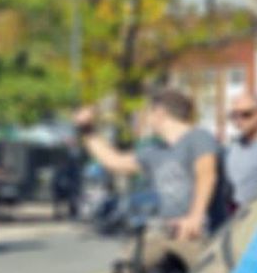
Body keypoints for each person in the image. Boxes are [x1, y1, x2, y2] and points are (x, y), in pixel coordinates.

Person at [75, 89, 227, 249]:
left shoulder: (199, 137)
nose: (147, 119)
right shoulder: (155, 151)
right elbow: (114, 161)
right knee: (132, 263)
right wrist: (87, 130)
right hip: (172, 235)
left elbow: (207, 176)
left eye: (149, 113)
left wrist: (195, 217)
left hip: (206, 237)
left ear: (160, 113)